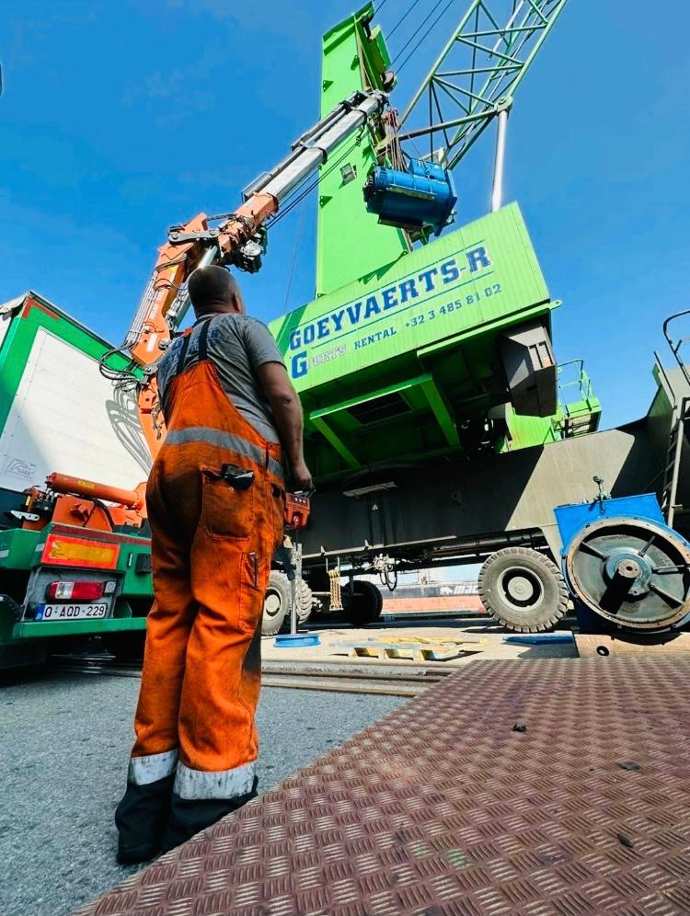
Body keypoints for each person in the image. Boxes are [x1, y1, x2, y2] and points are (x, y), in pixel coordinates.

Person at [115, 265, 312, 863]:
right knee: (226, 621)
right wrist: (299, 469)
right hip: (229, 480)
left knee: (170, 620)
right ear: (233, 296)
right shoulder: (246, 327)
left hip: (168, 482)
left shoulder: (169, 359)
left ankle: (145, 809)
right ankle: (208, 801)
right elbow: (280, 395)